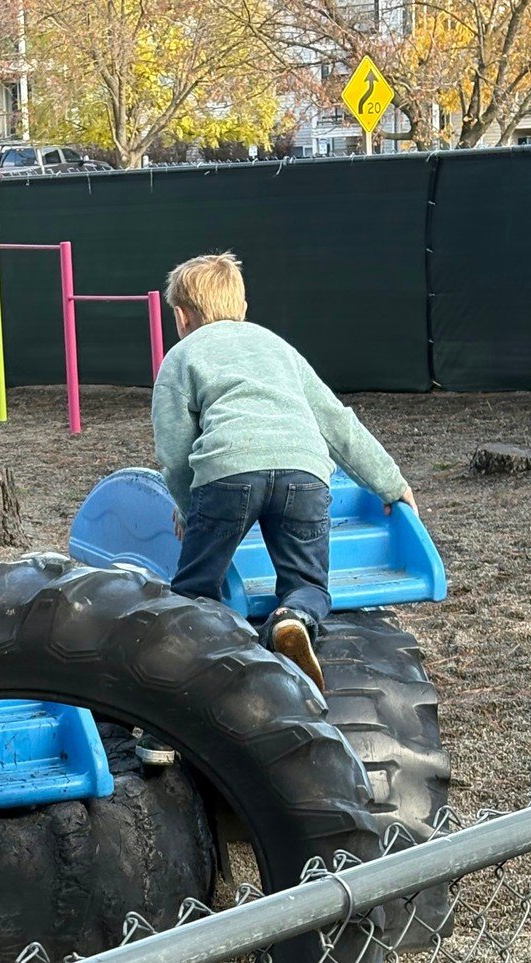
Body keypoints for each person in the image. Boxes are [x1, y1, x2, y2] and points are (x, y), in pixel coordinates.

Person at [151, 251, 417, 703]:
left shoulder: (180, 357)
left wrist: (189, 508)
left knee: (196, 588)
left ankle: (198, 678)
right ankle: (292, 617)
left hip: (228, 473)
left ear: (180, 316)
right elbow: (337, 422)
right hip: (304, 472)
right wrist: (391, 483)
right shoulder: (277, 347)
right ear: (243, 307)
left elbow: (174, 453)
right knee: (308, 583)